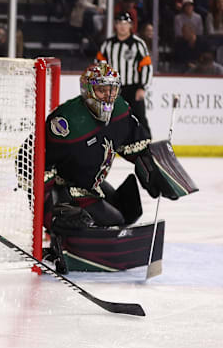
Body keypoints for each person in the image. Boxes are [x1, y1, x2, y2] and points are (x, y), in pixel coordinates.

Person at [40, 62, 152, 272]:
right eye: (102, 89)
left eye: (112, 89)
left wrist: (150, 166)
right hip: (69, 188)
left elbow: (130, 143)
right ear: (88, 91)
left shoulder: (118, 109)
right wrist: (50, 216)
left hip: (90, 184)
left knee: (126, 211)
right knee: (114, 221)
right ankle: (64, 244)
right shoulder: (65, 122)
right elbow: (35, 162)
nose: (109, 95)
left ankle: (74, 239)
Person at [95, 12, 152, 135]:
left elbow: (146, 66)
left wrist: (142, 87)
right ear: (115, 25)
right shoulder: (108, 45)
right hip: (112, 90)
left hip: (133, 88)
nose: (122, 26)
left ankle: (147, 148)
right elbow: (99, 65)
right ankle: (109, 149)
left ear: (130, 25)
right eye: (119, 23)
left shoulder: (138, 44)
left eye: (125, 23)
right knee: (110, 120)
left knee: (139, 119)